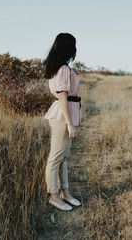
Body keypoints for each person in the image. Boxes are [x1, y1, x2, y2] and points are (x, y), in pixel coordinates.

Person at [43, 33, 82, 211]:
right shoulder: (63, 69)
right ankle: (54, 195)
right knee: (56, 157)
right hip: (62, 116)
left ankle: (66, 192)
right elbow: (63, 97)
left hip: (67, 114)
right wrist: (70, 123)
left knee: (64, 157)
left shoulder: (63, 68)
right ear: (69, 47)